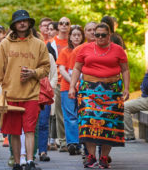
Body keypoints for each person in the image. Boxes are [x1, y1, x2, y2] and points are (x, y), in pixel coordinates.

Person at [0, 10, 50, 170]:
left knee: (30, 130)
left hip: (32, 94)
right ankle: (17, 162)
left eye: (25, 21)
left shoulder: (39, 44)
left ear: (30, 24)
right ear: (14, 25)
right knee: (14, 131)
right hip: (11, 94)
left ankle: (30, 161)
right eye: (19, 21)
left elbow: (46, 68)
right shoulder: (5, 44)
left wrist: (34, 73)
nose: (22, 23)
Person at [69, 23, 130, 169]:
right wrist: (72, 86)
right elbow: (77, 68)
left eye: (104, 35)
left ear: (109, 35)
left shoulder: (118, 50)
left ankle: (103, 157)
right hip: (88, 90)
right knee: (88, 120)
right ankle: (91, 156)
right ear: (94, 35)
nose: (100, 38)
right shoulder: (85, 49)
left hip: (112, 90)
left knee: (109, 123)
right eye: (97, 35)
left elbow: (125, 70)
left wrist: (126, 88)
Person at [56, 26, 85, 155]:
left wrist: (79, 83)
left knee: (82, 115)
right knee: (70, 116)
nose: (77, 37)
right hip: (67, 87)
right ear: (70, 37)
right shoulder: (65, 51)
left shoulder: (86, 50)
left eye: (79, 35)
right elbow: (62, 69)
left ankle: (82, 142)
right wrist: (73, 82)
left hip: (84, 87)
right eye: (74, 35)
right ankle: (73, 143)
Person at [50, 17, 71, 152]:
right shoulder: (52, 43)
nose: (64, 25)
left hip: (75, 82)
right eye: (61, 23)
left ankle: (73, 141)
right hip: (58, 81)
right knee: (59, 114)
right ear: (58, 26)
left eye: (66, 23)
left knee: (72, 113)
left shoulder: (74, 41)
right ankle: (63, 142)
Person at [124, 70, 148, 141]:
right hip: (144, 97)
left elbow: (146, 87)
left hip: (146, 99)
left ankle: (129, 135)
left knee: (125, 107)